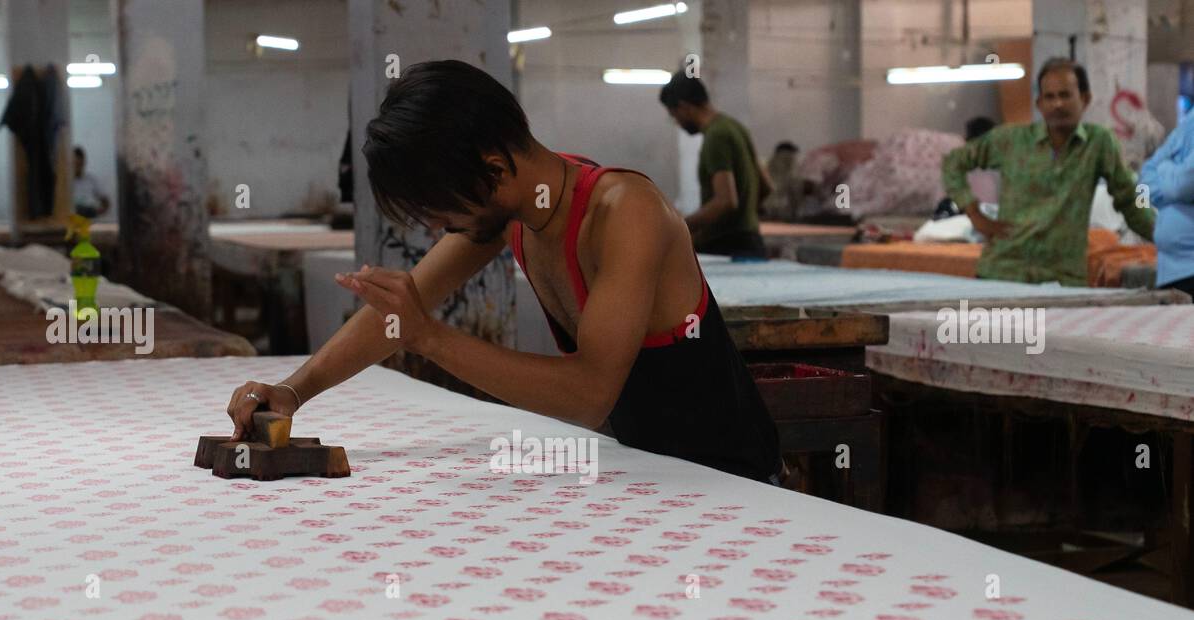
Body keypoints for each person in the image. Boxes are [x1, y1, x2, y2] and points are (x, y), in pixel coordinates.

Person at [225, 60, 781, 485]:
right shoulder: (511, 209)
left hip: (733, 479)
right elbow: (398, 312)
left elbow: (588, 396)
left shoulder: (625, 213)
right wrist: (293, 391)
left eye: (443, 210)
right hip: (648, 473)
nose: (442, 226)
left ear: (492, 171)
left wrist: (429, 337)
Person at [940, 58, 1154, 286]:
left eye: (1065, 95)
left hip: (1063, 278)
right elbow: (953, 163)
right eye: (1049, 97)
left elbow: (1132, 199)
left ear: (1085, 98)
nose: (1057, 104)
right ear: (1039, 103)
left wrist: (1163, 235)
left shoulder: (1099, 143)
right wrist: (975, 214)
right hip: (1004, 271)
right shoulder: (1011, 140)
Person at [658, 72, 770, 257]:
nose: (677, 123)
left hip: (726, 246)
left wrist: (679, 227)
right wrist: (745, 215)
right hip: (751, 242)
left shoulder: (716, 136)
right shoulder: (735, 127)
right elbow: (766, 186)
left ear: (684, 107)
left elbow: (726, 201)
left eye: (674, 115)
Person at [1139, 113, 1194, 297]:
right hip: (1170, 271)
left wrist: (1162, 168)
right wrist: (1175, 171)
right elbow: (1142, 182)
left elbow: (1185, 185)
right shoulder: (1188, 121)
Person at [762, 141, 805, 221]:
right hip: (785, 211)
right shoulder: (791, 162)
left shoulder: (768, 163)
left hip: (765, 209)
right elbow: (795, 188)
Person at [72, 146, 110, 218]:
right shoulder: (64, 183)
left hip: (88, 220)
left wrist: (96, 213)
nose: (77, 167)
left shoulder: (91, 180)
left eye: (79, 164)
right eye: (74, 164)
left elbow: (106, 201)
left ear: (84, 162)